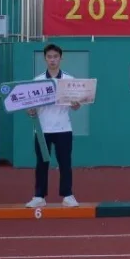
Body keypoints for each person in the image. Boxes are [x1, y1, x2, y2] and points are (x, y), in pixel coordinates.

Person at [25, 44, 80, 208]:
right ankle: (39, 196)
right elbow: (30, 107)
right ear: (45, 59)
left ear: (61, 58)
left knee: (65, 163)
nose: (52, 60)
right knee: (41, 163)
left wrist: (77, 104)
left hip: (64, 128)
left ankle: (68, 196)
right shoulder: (37, 81)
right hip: (42, 129)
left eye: (55, 57)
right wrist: (30, 111)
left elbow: (76, 107)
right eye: (49, 57)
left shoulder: (70, 80)